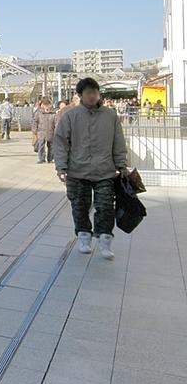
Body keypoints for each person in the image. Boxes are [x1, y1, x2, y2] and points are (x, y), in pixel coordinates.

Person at [54, 77, 128, 260]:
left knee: (105, 207)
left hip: (105, 171)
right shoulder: (70, 116)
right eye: (88, 92)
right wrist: (61, 166)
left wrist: (121, 165)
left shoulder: (110, 115)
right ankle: (84, 237)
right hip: (77, 171)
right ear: (80, 95)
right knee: (79, 206)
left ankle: (104, 241)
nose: (92, 96)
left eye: (95, 92)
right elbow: (61, 142)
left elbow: (118, 142)